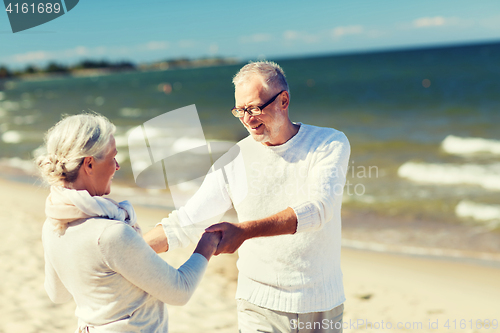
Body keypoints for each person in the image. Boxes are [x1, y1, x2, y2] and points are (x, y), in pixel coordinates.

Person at [145, 61, 351, 333]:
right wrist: (123, 249)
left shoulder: (328, 143)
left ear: (284, 100)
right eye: (240, 110)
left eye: (254, 108)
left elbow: (318, 210)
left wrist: (244, 231)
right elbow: (187, 222)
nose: (248, 119)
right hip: (258, 305)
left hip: (323, 305)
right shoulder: (233, 160)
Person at [37, 113, 221, 333]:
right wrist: (208, 243)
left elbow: (58, 294)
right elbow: (180, 291)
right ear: (89, 164)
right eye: (112, 157)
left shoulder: (53, 225)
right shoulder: (110, 234)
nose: (117, 166)